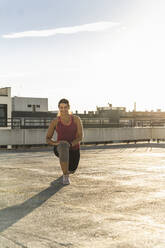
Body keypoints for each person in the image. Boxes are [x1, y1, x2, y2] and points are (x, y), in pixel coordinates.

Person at [46, 98, 83, 185]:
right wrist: (56, 143)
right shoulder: (55, 121)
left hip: (74, 148)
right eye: (61, 107)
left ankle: (67, 171)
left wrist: (70, 144)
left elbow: (80, 137)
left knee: (72, 169)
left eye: (65, 107)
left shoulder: (76, 119)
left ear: (68, 107)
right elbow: (48, 138)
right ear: (59, 108)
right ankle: (65, 176)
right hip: (60, 147)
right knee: (63, 145)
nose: (63, 110)